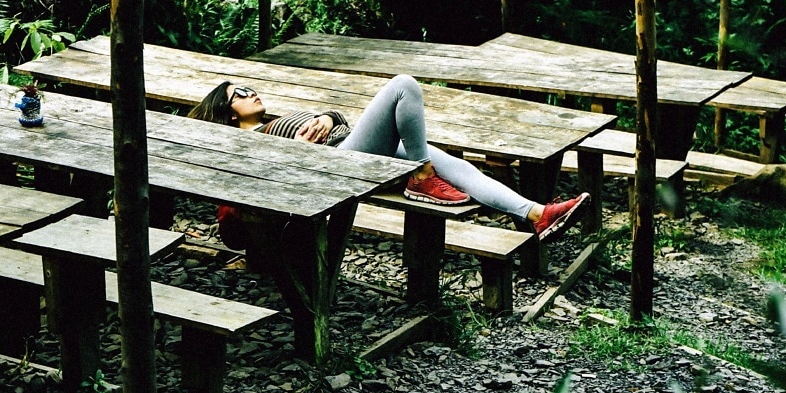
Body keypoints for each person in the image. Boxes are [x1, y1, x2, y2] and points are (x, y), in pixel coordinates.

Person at [188, 74, 590, 244]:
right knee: (403, 86)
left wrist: (329, 117)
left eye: (248, 87)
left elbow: (340, 119)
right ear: (227, 111)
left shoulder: (273, 120)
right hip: (332, 169)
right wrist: (300, 150)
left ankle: (537, 215)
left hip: (349, 150)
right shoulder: (248, 142)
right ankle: (420, 173)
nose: (249, 92)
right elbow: (274, 177)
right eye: (238, 93)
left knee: (452, 162)